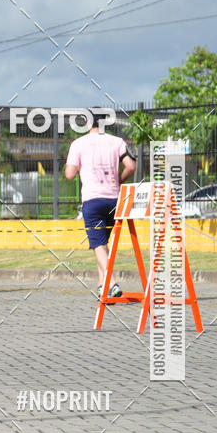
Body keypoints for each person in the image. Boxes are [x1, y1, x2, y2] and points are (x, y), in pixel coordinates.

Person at [65, 110, 136, 296]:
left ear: (87, 122)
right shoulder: (117, 141)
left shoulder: (78, 144)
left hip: (92, 199)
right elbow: (131, 166)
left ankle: (112, 282)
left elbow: (69, 174)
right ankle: (102, 285)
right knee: (102, 243)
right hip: (114, 200)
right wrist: (119, 180)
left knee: (97, 244)